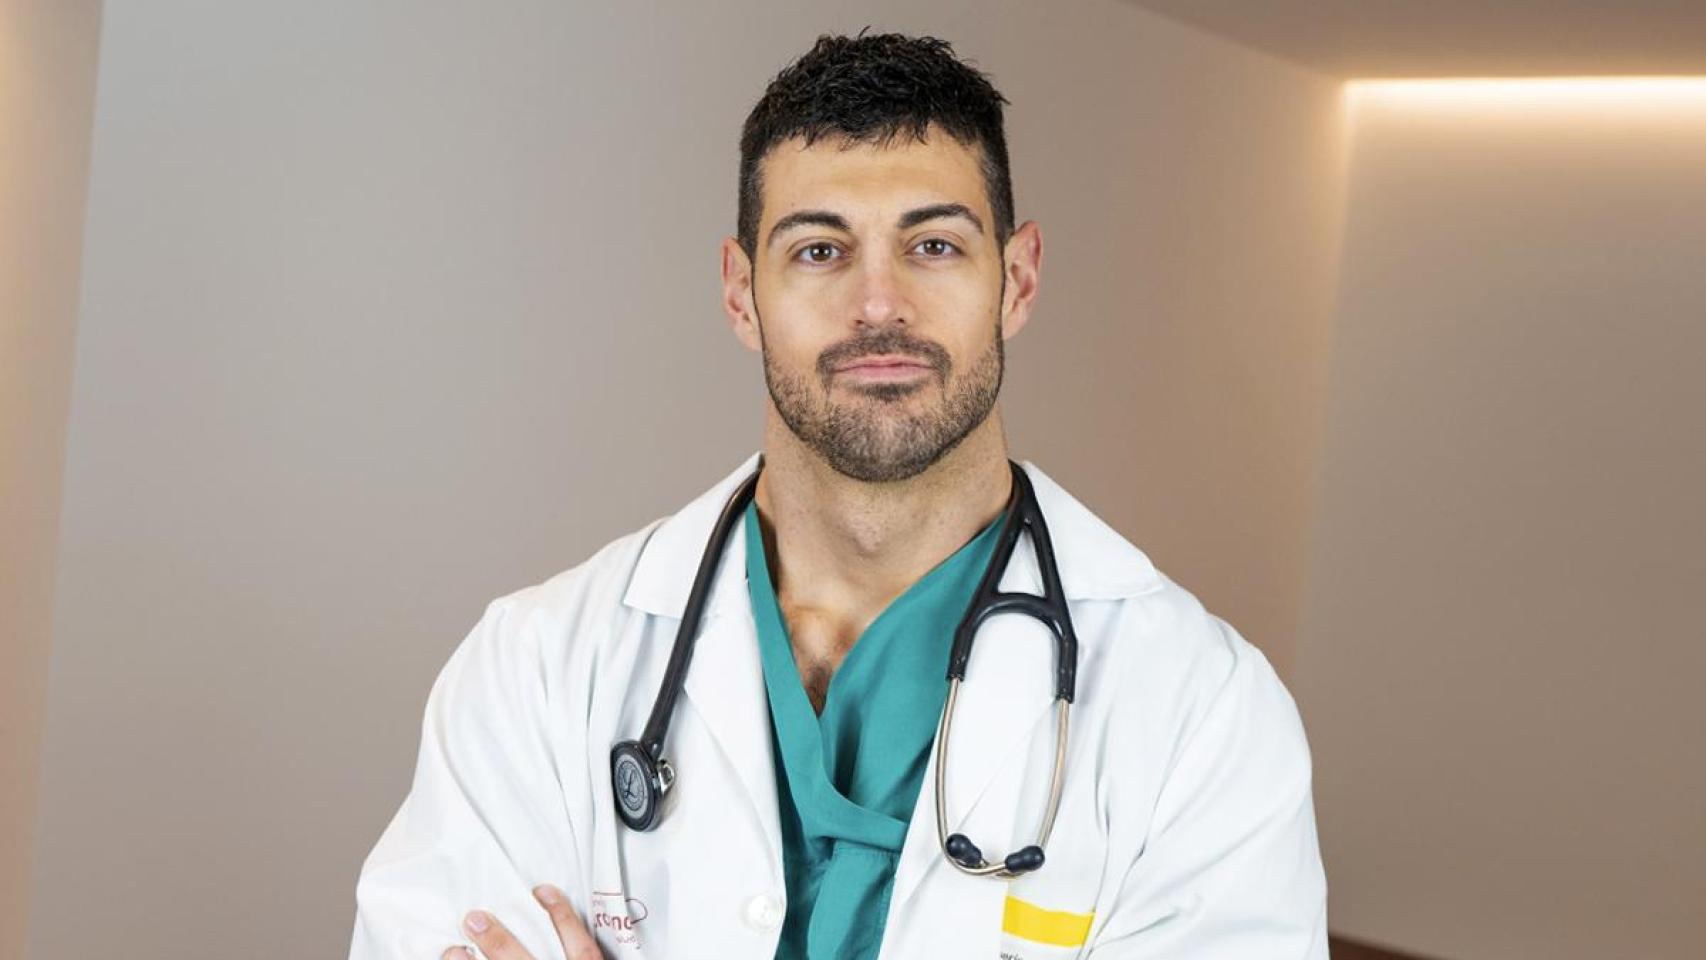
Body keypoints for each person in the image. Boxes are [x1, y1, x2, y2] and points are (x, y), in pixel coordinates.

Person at [348, 29, 1327, 960]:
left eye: (933, 246)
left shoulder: (1199, 712)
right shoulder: (537, 671)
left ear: (1018, 279)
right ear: (741, 293)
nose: (878, 305)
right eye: (819, 250)